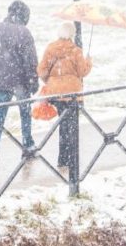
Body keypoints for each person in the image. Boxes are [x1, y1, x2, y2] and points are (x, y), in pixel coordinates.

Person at [0, 0, 39, 152]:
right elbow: (30, 61)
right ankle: (28, 145)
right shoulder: (24, 32)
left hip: (1, 80)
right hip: (20, 81)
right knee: (25, 113)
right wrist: (33, 81)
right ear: (24, 16)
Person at [38, 22, 92, 168]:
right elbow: (82, 72)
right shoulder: (76, 50)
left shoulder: (51, 48)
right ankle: (72, 159)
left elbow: (41, 70)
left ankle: (62, 159)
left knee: (63, 125)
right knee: (72, 126)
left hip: (56, 94)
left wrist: (51, 82)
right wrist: (89, 61)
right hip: (73, 93)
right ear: (72, 34)